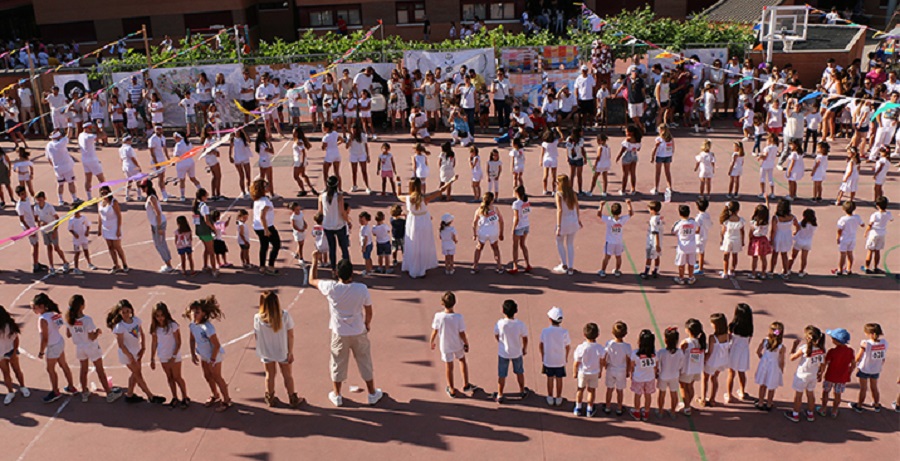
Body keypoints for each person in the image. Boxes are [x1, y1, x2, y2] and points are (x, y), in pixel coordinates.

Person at [309, 255, 383, 407]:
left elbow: (312, 280)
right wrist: (367, 324)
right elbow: (369, 310)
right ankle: (371, 393)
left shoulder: (331, 287)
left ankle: (337, 395)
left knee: (337, 362)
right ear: (351, 274)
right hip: (358, 330)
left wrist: (315, 261)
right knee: (364, 361)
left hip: (339, 332)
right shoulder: (361, 289)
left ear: (337, 273)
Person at [107, 299, 165, 404]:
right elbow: (121, 345)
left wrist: (143, 348)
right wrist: (130, 356)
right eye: (123, 312)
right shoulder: (120, 327)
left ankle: (129, 395)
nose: (125, 314)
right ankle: (150, 396)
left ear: (131, 310)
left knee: (135, 374)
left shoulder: (136, 320)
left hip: (136, 351)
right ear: (119, 313)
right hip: (126, 354)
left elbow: (141, 334)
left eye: (127, 311)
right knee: (138, 374)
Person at [397, 176, 456, 278]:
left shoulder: (408, 198)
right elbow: (441, 190)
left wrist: (398, 183)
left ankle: (413, 267)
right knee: (423, 244)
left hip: (413, 221)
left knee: (413, 244)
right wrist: (451, 180)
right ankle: (421, 268)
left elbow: (398, 195)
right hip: (424, 221)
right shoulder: (424, 198)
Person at [255, 291, 303, 408]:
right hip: (282, 351)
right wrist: (290, 351)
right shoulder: (284, 316)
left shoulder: (258, 318)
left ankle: (270, 397)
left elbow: (257, 335)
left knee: (269, 375)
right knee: (287, 375)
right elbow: (290, 335)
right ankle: (292, 398)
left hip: (267, 351)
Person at [185, 296, 231, 412]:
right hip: (204, 355)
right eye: (193, 312)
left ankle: (226, 400)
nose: (194, 314)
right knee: (207, 376)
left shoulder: (208, 328)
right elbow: (192, 339)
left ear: (204, 314)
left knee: (217, 377)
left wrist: (213, 359)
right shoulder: (192, 325)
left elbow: (216, 345)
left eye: (197, 312)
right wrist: (193, 353)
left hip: (213, 356)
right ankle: (215, 395)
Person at [430, 291, 472, 398]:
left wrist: (432, 341)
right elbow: (461, 333)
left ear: (442, 303)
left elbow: (435, 330)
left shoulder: (438, 316)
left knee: (449, 367)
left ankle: (451, 389)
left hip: (445, 345)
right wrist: (466, 343)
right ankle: (466, 384)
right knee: (462, 360)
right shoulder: (458, 317)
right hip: (457, 343)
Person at [149, 302, 188, 408]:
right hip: (163, 356)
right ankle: (174, 397)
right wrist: (152, 358)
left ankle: (185, 397)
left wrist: (174, 356)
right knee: (169, 377)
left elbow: (179, 341)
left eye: (162, 315)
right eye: (157, 316)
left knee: (177, 377)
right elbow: (154, 343)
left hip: (173, 356)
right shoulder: (155, 328)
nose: (160, 318)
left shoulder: (173, 325)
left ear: (166, 314)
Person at [784, 325, 825, 422]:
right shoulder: (821, 350)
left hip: (802, 376)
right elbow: (823, 364)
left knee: (798, 396)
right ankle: (810, 414)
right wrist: (821, 373)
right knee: (810, 394)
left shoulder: (804, 348)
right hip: (813, 376)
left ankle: (795, 414)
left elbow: (792, 358)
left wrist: (794, 346)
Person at [493, 300, 529, 403]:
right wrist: (524, 348)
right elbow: (525, 338)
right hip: (517, 352)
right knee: (519, 372)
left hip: (503, 352)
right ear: (516, 311)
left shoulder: (500, 323)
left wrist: (500, 342)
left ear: (503, 310)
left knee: (502, 374)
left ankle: (500, 394)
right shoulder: (520, 324)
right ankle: (522, 390)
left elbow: (496, 335)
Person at [852, 323, 888, 413]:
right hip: (876, 369)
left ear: (870, 334)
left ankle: (859, 405)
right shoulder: (884, 343)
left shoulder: (866, 343)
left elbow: (858, 357)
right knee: (874, 387)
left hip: (864, 368)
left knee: (863, 388)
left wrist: (854, 363)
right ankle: (876, 404)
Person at [818, 328, 854, 418]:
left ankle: (823, 408)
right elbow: (853, 363)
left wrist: (820, 373)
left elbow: (825, 364)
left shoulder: (832, 352)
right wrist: (849, 372)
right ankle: (834, 410)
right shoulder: (850, 351)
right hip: (842, 377)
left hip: (830, 376)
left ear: (836, 341)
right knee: (838, 394)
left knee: (826, 392)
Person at [318, 175, 351, 267]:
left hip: (327, 225)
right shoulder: (339, 197)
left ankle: (333, 269)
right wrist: (348, 221)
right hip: (339, 224)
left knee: (332, 248)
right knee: (344, 247)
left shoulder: (321, 196)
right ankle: (347, 267)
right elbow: (342, 212)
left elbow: (320, 212)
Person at [0, 305, 29, 404]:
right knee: (6, 373)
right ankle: (10, 392)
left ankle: (23, 386)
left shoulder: (9, 326)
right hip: (1, 354)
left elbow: (16, 339)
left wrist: (14, 351)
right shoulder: (9, 324)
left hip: (10, 351)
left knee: (17, 370)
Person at [701, 313, 732, 407]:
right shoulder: (728, 336)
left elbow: (710, 352)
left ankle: (703, 398)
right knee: (714, 378)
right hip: (722, 361)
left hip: (712, 362)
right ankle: (712, 399)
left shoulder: (713, 338)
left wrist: (703, 359)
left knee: (705, 378)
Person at [251, 178, 281, 275]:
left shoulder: (257, 199)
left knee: (264, 246)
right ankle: (270, 266)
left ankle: (262, 266)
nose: (268, 186)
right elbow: (262, 216)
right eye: (266, 185)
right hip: (266, 226)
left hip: (257, 227)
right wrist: (266, 229)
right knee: (276, 245)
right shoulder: (265, 201)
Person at [753, 321, 785, 411]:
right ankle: (769, 403)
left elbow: (758, 351)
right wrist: (781, 369)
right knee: (771, 386)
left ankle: (760, 402)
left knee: (762, 384)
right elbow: (782, 360)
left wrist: (762, 358)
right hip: (774, 367)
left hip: (764, 364)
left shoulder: (765, 341)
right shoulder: (781, 347)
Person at [98, 185, 129, 273]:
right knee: (110, 247)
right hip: (105, 227)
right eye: (102, 193)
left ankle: (124, 264)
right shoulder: (100, 203)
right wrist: (99, 228)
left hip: (114, 227)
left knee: (117, 246)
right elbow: (100, 216)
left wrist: (118, 229)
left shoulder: (113, 202)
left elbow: (119, 216)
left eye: (106, 193)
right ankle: (116, 264)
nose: (104, 194)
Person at [629, 329, 658, 421]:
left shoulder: (635, 353)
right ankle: (646, 413)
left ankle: (637, 412)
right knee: (648, 395)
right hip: (650, 378)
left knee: (637, 395)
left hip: (638, 378)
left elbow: (632, 366)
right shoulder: (654, 354)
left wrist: (631, 374)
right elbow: (655, 366)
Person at [603, 321, 631, 415]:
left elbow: (605, 355)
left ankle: (607, 406)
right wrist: (628, 371)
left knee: (609, 389)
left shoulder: (609, 344)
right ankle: (619, 408)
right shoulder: (627, 347)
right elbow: (628, 360)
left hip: (611, 368)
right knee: (620, 390)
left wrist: (604, 364)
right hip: (621, 370)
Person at [657, 326, 684, 418]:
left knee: (662, 393)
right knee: (674, 394)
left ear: (665, 340)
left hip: (663, 376)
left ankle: (660, 411)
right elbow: (681, 364)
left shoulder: (661, 352)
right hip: (674, 376)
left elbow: (658, 364)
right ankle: (673, 411)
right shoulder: (680, 352)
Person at [835, 201, 864, 276]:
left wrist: (838, 237)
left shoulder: (843, 219)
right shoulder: (857, 217)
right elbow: (862, 224)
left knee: (843, 255)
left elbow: (839, 229)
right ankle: (849, 269)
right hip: (852, 238)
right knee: (850, 254)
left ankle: (840, 269)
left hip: (844, 238)